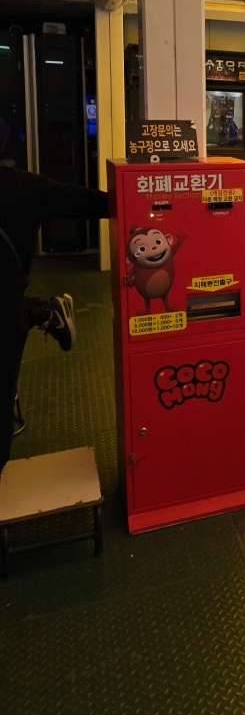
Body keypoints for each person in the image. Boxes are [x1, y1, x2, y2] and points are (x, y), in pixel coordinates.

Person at [0, 119, 109, 475]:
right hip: (7, 310)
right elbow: (91, 202)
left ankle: (46, 313)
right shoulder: (21, 186)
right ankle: (46, 313)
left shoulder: (22, 186)